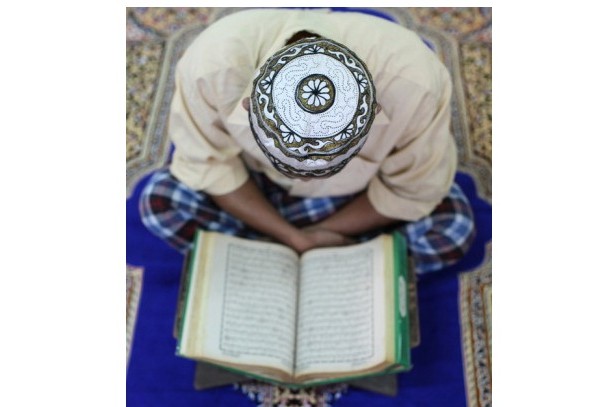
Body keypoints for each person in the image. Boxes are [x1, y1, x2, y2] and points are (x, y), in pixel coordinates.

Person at [139, 8, 475, 274]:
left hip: (359, 196)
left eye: (326, 163)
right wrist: (294, 238)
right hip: (255, 186)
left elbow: (412, 189)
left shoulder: (415, 84)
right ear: (248, 104)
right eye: (287, 161)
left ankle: (262, 253)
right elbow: (210, 165)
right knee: (161, 200)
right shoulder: (211, 66)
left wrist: (312, 236)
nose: (301, 178)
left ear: (373, 111)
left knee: (453, 227)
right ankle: (342, 260)